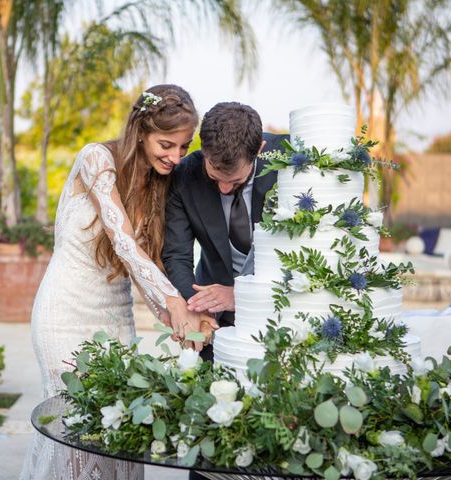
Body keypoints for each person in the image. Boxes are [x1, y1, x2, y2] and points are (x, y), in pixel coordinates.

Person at [20, 84, 211, 480]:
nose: (176, 157)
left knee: (117, 431)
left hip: (116, 319)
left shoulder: (161, 184)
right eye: (166, 144)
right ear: (140, 130)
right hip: (65, 314)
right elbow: (123, 241)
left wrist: (184, 321)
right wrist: (174, 301)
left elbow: (147, 269)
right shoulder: (97, 159)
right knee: (73, 434)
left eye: (183, 146)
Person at [162, 102, 287, 362]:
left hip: (285, 317)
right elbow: (177, 255)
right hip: (216, 321)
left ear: (259, 149)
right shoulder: (184, 176)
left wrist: (240, 296)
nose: (224, 190)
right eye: (215, 177)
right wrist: (197, 308)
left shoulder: (291, 160)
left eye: (235, 181)